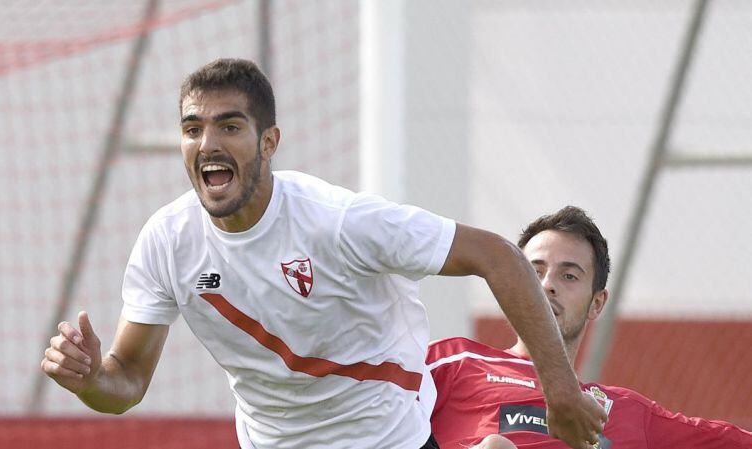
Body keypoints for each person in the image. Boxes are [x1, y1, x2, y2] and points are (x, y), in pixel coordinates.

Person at [41, 58, 606, 449]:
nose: (208, 143)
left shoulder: (340, 222)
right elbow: (127, 382)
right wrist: (91, 379)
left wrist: (561, 392)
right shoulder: (167, 241)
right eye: (193, 129)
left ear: (269, 142)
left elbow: (499, 255)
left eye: (229, 126)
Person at [427, 206, 752, 449]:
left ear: (597, 303)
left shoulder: (627, 412)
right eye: (533, 272)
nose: (547, 286)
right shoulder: (454, 362)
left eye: (569, 275)